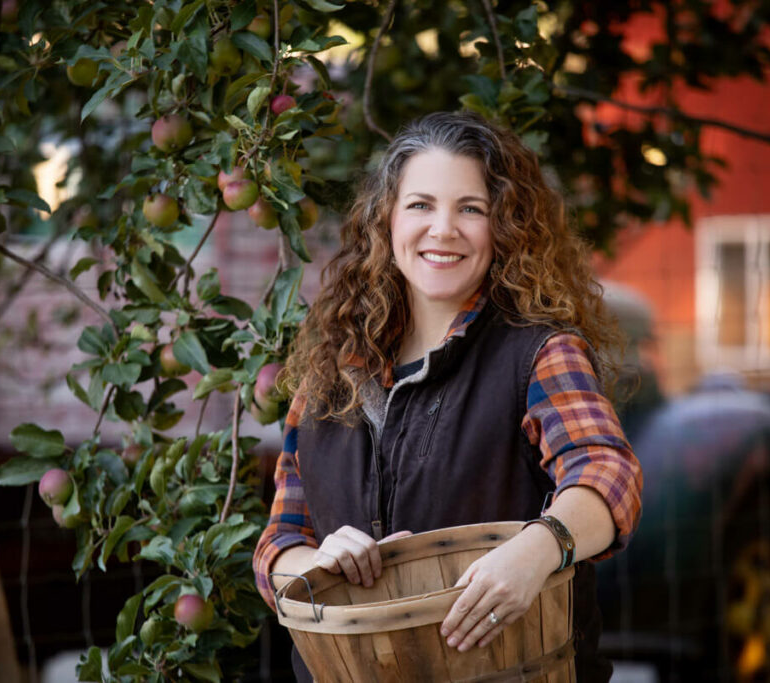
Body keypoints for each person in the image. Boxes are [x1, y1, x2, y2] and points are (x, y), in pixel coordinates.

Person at [252, 111, 643, 681]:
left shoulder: (537, 353)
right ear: (385, 220)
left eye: (471, 209)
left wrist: (538, 550)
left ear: (505, 226)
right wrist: (318, 566)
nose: (443, 229)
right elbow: (278, 545)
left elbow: (609, 476)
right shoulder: (325, 374)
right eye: (421, 205)